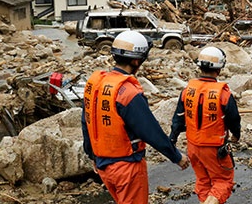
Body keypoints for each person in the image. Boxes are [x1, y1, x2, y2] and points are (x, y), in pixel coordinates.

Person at [81, 30, 190, 204]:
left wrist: (92, 155)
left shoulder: (95, 84)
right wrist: (176, 156)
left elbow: (86, 121)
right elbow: (150, 131)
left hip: (103, 165)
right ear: (137, 61)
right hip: (127, 167)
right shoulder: (128, 92)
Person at [170, 46, 241, 204]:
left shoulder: (187, 91)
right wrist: (237, 135)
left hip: (193, 147)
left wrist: (172, 140)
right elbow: (234, 120)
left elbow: (177, 120)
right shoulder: (223, 94)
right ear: (220, 68)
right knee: (223, 182)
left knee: (203, 182)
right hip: (214, 148)